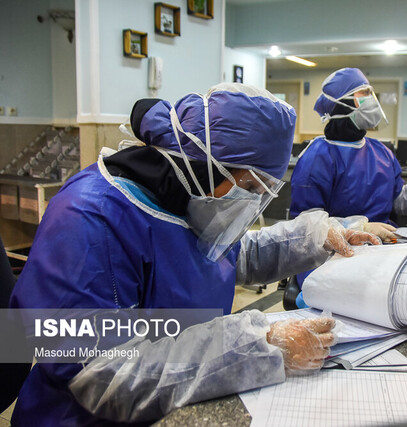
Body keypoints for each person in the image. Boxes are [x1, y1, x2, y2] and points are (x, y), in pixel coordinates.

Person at [9, 83, 379, 425]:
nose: (250, 201)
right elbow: (101, 372)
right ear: (203, 165)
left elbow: (230, 255)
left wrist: (316, 239)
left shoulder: (187, 201)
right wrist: (253, 347)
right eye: (249, 186)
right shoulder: (90, 219)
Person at [290, 67, 407, 240]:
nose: (371, 100)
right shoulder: (317, 157)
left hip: (383, 246)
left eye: (370, 93)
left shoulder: (381, 152)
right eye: (363, 93)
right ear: (342, 104)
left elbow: (401, 204)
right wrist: (359, 228)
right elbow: (307, 226)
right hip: (337, 254)